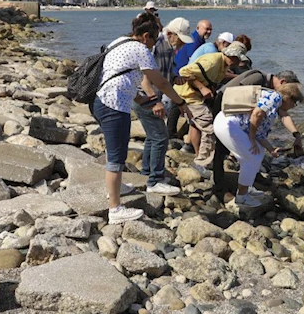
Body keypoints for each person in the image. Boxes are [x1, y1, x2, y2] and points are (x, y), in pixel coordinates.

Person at [94, 14, 190, 224]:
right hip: (113, 106)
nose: (155, 43)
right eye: (155, 39)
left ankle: (116, 189)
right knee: (117, 158)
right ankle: (115, 209)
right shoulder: (140, 49)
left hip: (100, 100)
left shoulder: (120, 41)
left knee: (114, 150)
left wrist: (140, 98)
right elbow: (162, 83)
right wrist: (180, 102)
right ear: (146, 36)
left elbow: (120, 74)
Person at [211, 70, 304, 196]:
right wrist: (250, 137)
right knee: (224, 150)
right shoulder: (260, 81)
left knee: (256, 152)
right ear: (283, 84)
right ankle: (220, 185)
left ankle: (247, 182)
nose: (294, 106)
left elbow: (281, 115)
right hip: (225, 111)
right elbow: (240, 97)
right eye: (295, 101)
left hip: (238, 121)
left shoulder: (275, 97)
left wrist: (295, 135)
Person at [175, 41, 249, 175]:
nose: (238, 64)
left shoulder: (222, 64)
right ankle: (201, 162)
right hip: (188, 95)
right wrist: (202, 88)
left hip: (195, 96)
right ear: (231, 56)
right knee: (209, 126)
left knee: (197, 124)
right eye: (237, 60)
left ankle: (200, 156)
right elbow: (183, 71)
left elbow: (210, 78)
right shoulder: (212, 62)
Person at [159, 17, 195, 139]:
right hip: (149, 97)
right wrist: (180, 102)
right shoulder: (159, 45)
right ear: (170, 34)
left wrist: (174, 78)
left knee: (156, 137)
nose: (183, 43)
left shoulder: (170, 47)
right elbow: (156, 76)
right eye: (181, 39)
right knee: (158, 138)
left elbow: (166, 71)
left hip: (155, 96)